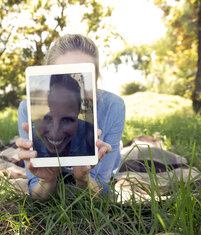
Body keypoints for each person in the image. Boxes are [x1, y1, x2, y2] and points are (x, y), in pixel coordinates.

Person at [16, 34, 126, 200]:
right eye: (62, 75)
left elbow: (102, 194)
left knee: (114, 151)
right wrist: (47, 181)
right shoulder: (27, 109)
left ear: (95, 81)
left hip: (103, 151)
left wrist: (83, 179)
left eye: (83, 77)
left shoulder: (112, 106)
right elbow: (36, 193)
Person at [32, 73, 95, 157]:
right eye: (46, 118)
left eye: (66, 120)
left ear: (78, 112)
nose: (55, 135)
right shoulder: (30, 142)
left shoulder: (91, 138)